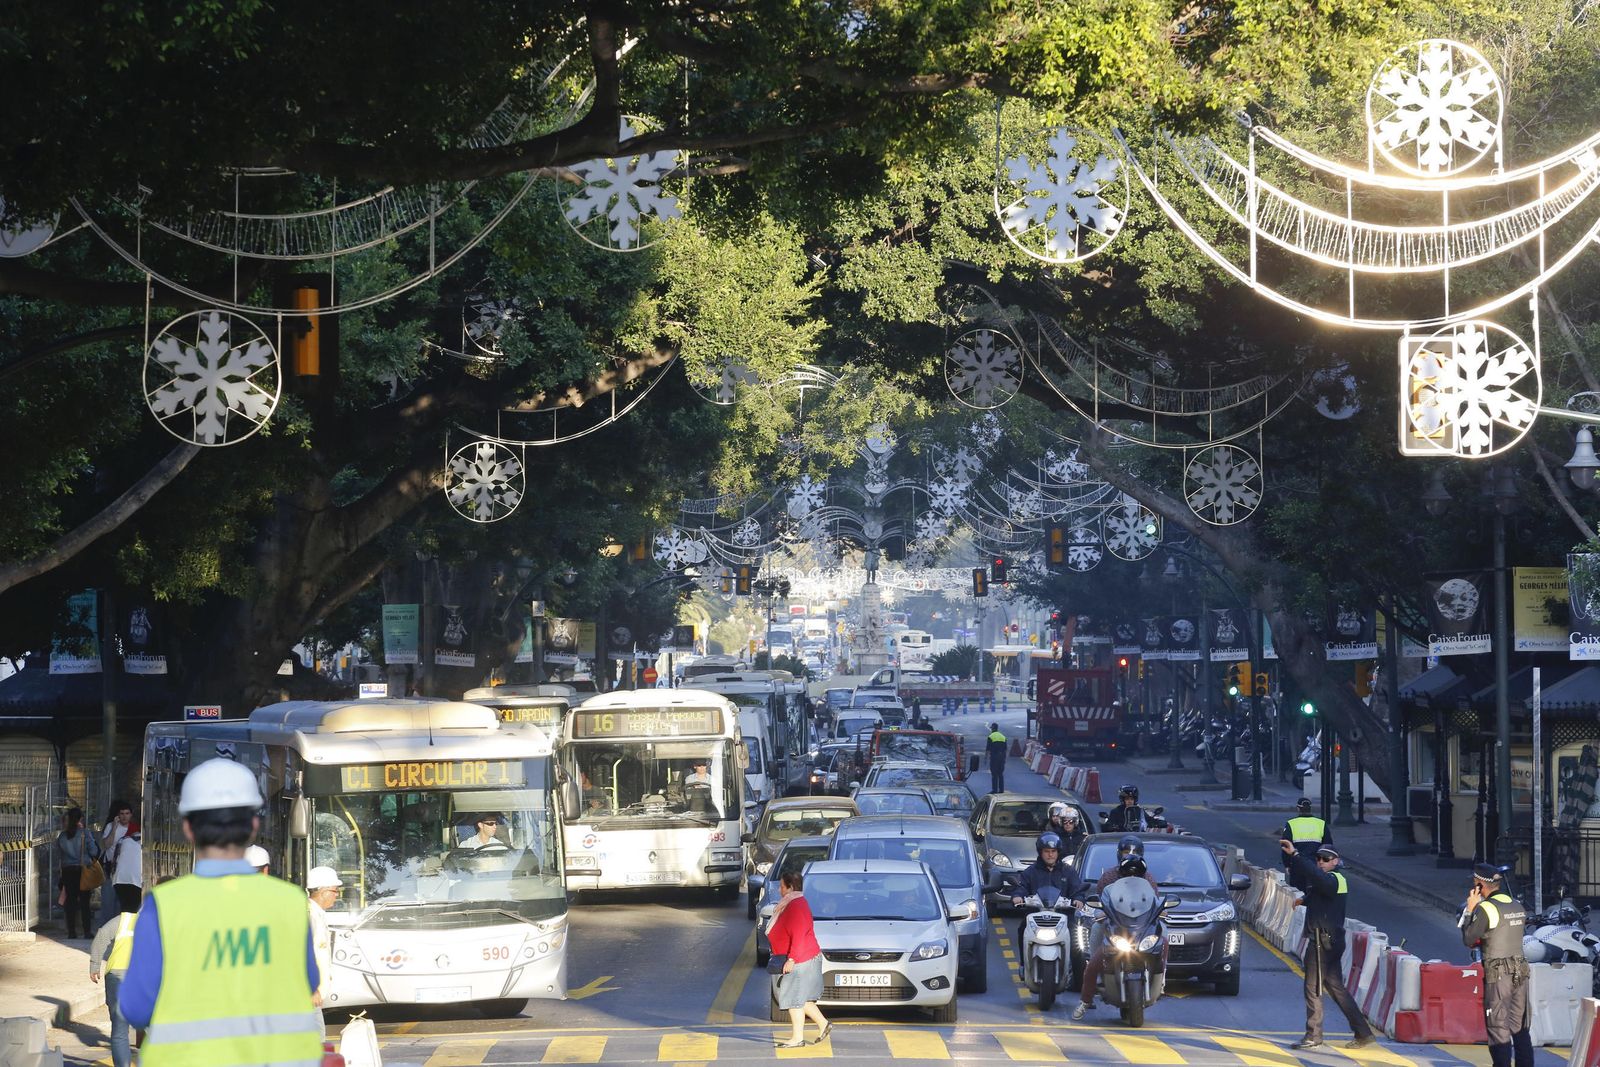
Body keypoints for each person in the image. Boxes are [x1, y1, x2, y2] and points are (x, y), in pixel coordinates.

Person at [119, 758, 323, 1066]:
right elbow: (307, 982)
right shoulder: (291, 902)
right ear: (254, 825)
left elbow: (136, 1006)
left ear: (188, 828)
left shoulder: (164, 906)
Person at [1281, 840, 1375, 1050]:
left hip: (1323, 943)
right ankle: (1363, 1032)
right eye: (1318, 859)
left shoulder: (1334, 879)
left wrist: (1295, 855)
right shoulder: (1332, 881)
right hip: (1329, 941)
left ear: (1336, 862)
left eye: (1326, 859)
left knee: (1313, 988)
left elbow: (1319, 880)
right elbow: (1320, 894)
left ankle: (1313, 1035)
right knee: (1336, 988)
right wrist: (1303, 900)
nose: (1321, 862)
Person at [1073, 840, 1161, 1020]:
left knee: (1164, 934)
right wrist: (1100, 913)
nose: (1132, 874)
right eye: (1126, 851)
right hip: (1114, 926)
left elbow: (1155, 902)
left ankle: (1162, 974)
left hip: (1141, 927)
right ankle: (1085, 1000)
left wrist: (1161, 910)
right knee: (1095, 957)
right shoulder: (1108, 877)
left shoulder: (1149, 879)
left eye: (1136, 871)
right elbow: (1101, 900)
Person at [1462, 863, 1533, 1067]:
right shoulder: (1516, 905)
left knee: (1498, 1029)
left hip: (1498, 975)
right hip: (1521, 971)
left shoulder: (1486, 908)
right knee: (1520, 1028)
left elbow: (1469, 938)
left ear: (1479, 885)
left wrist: (1470, 909)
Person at [766, 869, 830, 1048]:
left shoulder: (796, 905)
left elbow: (799, 934)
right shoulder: (793, 902)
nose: (780, 890)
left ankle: (797, 1038)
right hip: (802, 957)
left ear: (790, 887)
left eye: (782, 886)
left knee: (794, 998)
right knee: (802, 999)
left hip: (800, 959)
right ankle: (824, 1024)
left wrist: (792, 959)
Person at [89, 885, 141, 1067]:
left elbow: (101, 937)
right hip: (140, 977)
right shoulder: (149, 921)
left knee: (120, 1030)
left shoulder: (120, 921)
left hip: (116, 974)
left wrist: (94, 965)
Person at [1010, 831, 1083, 949]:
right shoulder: (1031, 871)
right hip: (1035, 915)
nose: (1050, 855)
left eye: (1053, 851)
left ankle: (1076, 967)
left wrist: (1078, 899)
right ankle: (1024, 965)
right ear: (1040, 852)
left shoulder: (1068, 871)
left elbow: (1077, 889)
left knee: (1076, 939)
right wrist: (1017, 896)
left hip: (1063, 915)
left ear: (1058, 852)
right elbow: (1021, 886)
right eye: (1047, 851)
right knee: (1022, 930)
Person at [307, 866, 342, 1039]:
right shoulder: (309, 915)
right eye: (335, 890)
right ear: (322, 891)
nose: (337, 895)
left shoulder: (317, 914)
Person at [55, 806, 98, 939]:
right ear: (80, 819)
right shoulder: (85, 833)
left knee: (70, 902)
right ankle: (87, 931)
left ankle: (71, 932)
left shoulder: (62, 836)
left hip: (68, 871)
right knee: (85, 902)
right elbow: (93, 851)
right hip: (82, 870)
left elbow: (59, 853)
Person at [97, 801, 134, 932]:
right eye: (122, 814)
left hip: (127, 870)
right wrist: (114, 827)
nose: (124, 816)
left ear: (131, 815)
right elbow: (106, 845)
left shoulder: (135, 828)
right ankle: (105, 929)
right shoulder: (110, 826)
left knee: (121, 901)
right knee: (108, 899)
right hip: (110, 869)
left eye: (127, 813)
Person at [1281, 798, 1332, 889]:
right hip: (1316, 866)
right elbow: (1328, 846)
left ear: (1298, 808)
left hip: (1297, 865)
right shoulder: (1321, 824)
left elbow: (1285, 846)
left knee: (1298, 893)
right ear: (1310, 808)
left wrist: (1287, 864)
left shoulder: (1291, 824)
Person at [110, 822, 143, 914]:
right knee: (133, 910)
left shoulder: (122, 840)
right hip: (136, 880)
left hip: (119, 879)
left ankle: (123, 926)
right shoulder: (145, 842)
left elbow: (114, 860)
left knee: (125, 908)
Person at [986, 723, 1008, 793]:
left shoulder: (991, 736)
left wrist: (985, 758)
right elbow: (1005, 749)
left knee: (994, 774)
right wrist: (1004, 759)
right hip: (1002, 757)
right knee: (1000, 774)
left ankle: (994, 790)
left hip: (994, 757)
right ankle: (1001, 790)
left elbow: (988, 749)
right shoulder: (1003, 737)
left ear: (992, 729)